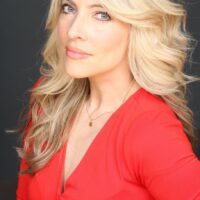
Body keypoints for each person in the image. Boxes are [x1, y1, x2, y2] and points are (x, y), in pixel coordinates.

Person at [16, 0, 200, 199]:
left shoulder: (151, 129)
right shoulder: (50, 97)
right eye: (68, 8)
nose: (73, 31)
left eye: (102, 15)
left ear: (138, 27)